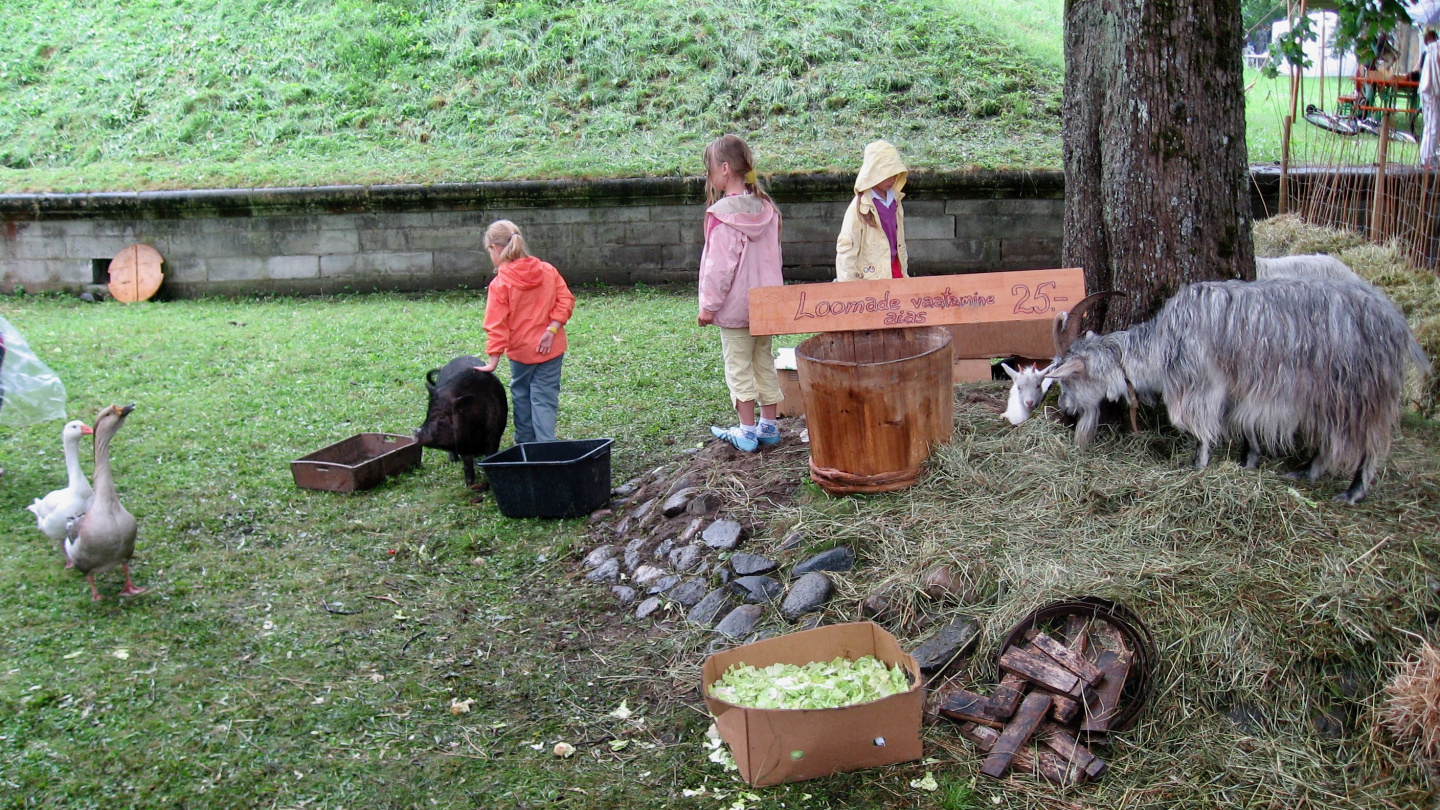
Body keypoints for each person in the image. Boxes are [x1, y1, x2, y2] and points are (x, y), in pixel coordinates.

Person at [697, 134, 785, 453]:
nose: (709, 177)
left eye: (709, 170)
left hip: (736, 310)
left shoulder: (723, 215)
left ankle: (746, 431)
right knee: (764, 361)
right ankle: (769, 426)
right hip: (768, 305)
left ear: (724, 169)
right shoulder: (767, 209)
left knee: (738, 366)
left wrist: (708, 307)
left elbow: (718, 269)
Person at [474, 220, 575, 444]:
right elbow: (565, 300)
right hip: (552, 348)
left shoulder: (500, 284)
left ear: (494, 248)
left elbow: (496, 324)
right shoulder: (548, 270)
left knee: (522, 396)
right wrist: (552, 329)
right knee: (545, 398)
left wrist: (492, 360)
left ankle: (526, 448)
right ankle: (547, 448)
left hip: (521, 354)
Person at [835, 140, 910, 281]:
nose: (892, 179)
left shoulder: (896, 201)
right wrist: (846, 288)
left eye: (895, 174)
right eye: (887, 174)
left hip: (894, 270)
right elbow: (847, 250)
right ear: (874, 173)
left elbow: (899, 243)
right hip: (870, 278)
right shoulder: (859, 206)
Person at [1420, 30, 1440, 168]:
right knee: (1433, 125)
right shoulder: (1436, 49)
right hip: (1432, 89)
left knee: (1429, 125)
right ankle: (1428, 159)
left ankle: (1425, 157)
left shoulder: (1431, 49)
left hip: (1427, 88)